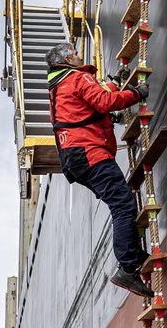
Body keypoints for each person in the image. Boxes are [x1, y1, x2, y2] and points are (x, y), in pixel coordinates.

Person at [46, 41, 153, 298]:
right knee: (123, 204)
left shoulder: (59, 85)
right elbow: (104, 101)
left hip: (75, 159)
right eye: (74, 53)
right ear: (66, 59)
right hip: (90, 152)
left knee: (120, 201)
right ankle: (127, 267)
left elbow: (89, 103)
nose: (78, 55)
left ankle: (133, 254)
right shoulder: (77, 77)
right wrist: (136, 94)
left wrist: (115, 84)